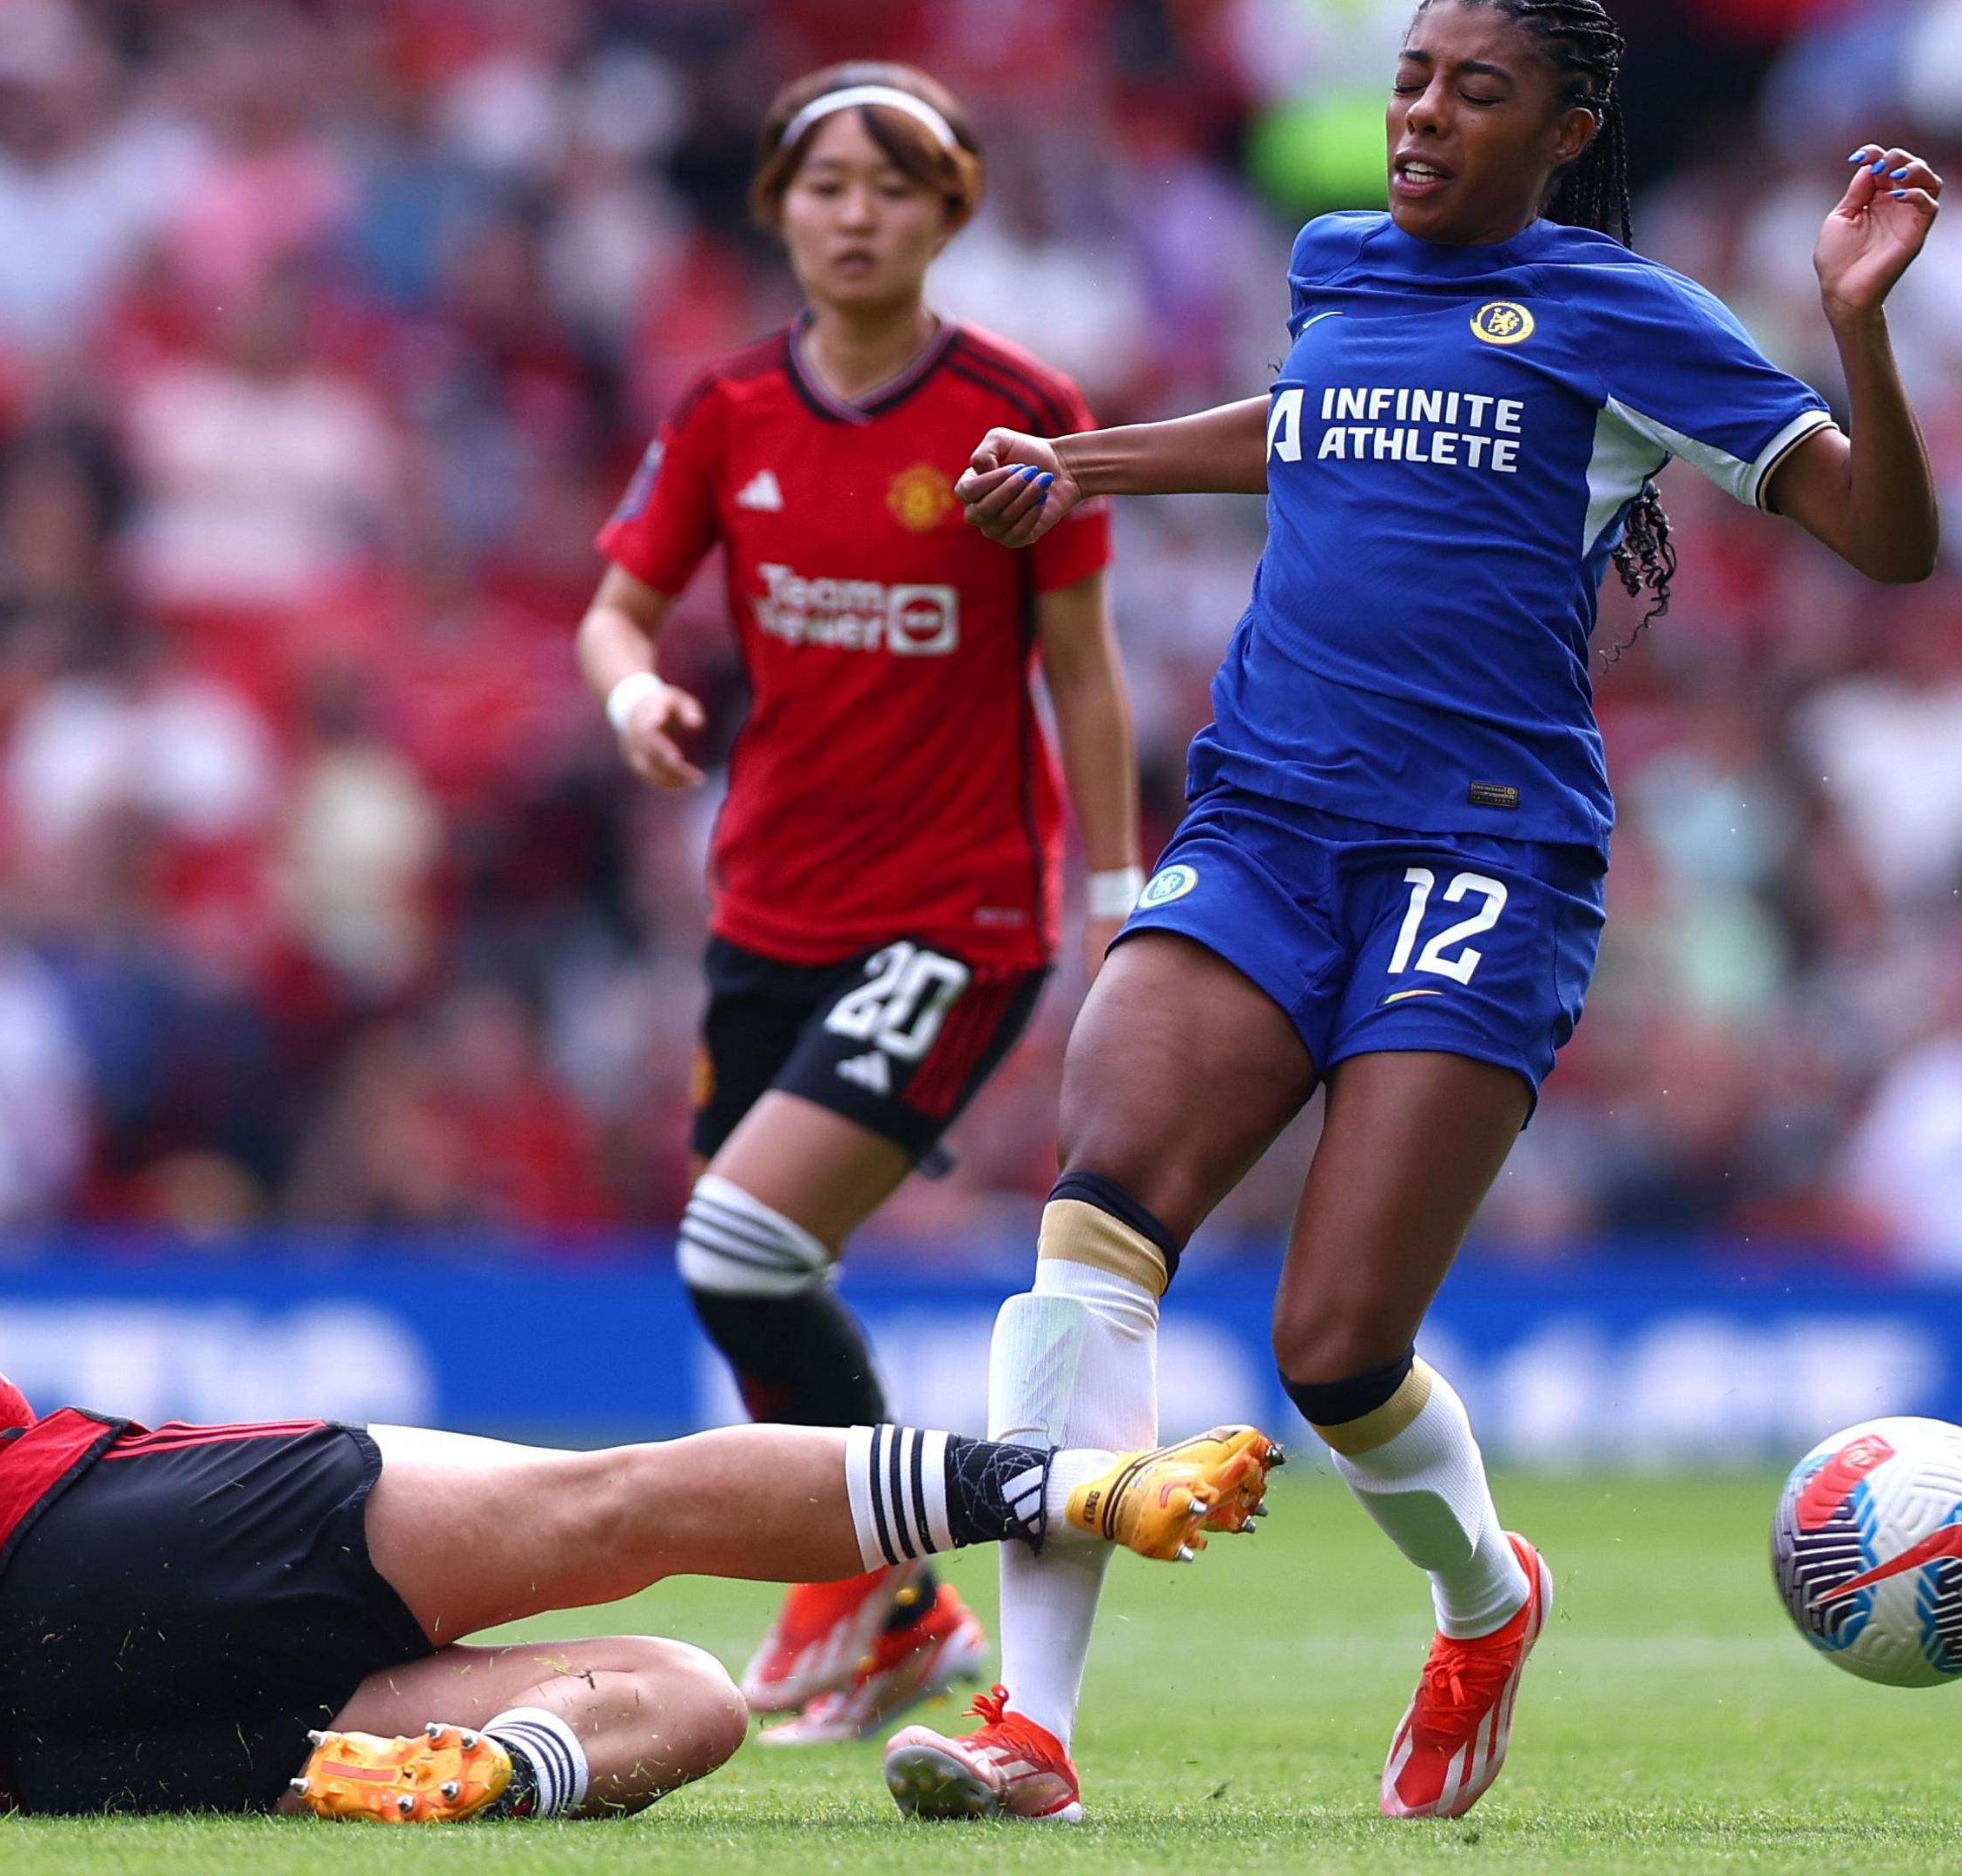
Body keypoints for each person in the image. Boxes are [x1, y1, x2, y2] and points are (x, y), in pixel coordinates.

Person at [882, 0, 1945, 1824]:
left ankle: (1482, 1598)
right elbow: (1312, 426)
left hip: (1487, 857)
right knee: (1096, 1218)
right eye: (1409, 81)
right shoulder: (1335, 265)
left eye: (1478, 90)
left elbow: (1888, 540)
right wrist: (1088, 463)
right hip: (1272, 818)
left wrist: (1854, 329)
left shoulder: (1624, 315)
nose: (1425, 118)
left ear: (1566, 126)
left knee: (1333, 1351)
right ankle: (1030, 1737)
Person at [0, 945, 1283, 1821]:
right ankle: (1066, 1484)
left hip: (51, 1743)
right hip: (103, 1551)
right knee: (624, 1497)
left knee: (688, 1697)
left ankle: (499, 1775)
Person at [577, 61, 1140, 1744]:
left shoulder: (1017, 411)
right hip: (766, 906)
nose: (854, 213)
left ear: (949, 211)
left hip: (957, 916)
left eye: (893, 186)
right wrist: (631, 697)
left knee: (740, 1246)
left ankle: (862, 1581)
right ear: (778, 207)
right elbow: (616, 612)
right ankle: (899, 1611)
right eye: (824, 183)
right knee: (743, 1269)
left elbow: (1086, 682)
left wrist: (1113, 899)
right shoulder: (727, 411)